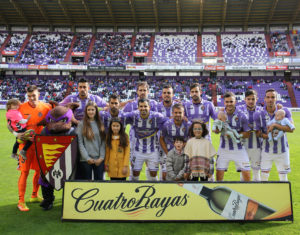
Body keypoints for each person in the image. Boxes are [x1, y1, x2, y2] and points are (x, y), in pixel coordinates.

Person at [8, 85, 52, 211]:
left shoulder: (46, 107)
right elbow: (9, 123)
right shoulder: (21, 107)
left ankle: (34, 195)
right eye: (29, 96)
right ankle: (21, 201)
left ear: (39, 94)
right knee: (25, 172)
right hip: (25, 146)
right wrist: (16, 134)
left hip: (39, 144)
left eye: (34, 95)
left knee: (39, 172)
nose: (32, 98)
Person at [254, 89, 295, 181]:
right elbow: (257, 132)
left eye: (273, 97)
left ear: (276, 98)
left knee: (283, 178)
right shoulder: (259, 114)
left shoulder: (284, 111)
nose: (270, 100)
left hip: (282, 151)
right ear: (264, 99)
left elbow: (291, 129)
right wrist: (267, 136)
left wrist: (276, 125)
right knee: (264, 178)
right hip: (266, 151)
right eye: (268, 97)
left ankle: (283, 195)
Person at [124, 98, 167, 181]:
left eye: (145, 106)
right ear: (138, 107)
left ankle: (153, 190)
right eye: (141, 106)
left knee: (153, 173)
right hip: (137, 150)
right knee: (135, 173)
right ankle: (132, 190)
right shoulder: (133, 116)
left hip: (153, 150)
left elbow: (167, 122)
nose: (143, 108)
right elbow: (121, 117)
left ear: (149, 107)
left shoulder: (157, 116)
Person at [214, 92, 251, 182]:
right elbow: (216, 131)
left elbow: (247, 134)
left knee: (246, 173)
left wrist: (236, 135)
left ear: (235, 102)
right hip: (223, 149)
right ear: (224, 103)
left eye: (231, 101)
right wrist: (220, 124)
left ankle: (247, 192)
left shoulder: (242, 115)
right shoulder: (220, 114)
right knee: (219, 175)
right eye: (227, 102)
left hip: (239, 149)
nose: (229, 104)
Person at [236, 89, 263, 181]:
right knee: (244, 172)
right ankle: (242, 193)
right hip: (243, 146)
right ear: (245, 99)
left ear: (257, 99)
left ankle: (257, 194)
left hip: (257, 146)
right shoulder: (239, 110)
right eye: (248, 99)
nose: (251, 101)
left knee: (256, 172)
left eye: (253, 99)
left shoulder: (261, 110)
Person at [76, 101, 106, 180]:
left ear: (96, 111)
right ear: (86, 111)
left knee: (99, 183)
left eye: (92, 110)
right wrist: (87, 158)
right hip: (85, 160)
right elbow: (80, 143)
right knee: (86, 184)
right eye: (89, 110)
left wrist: (101, 157)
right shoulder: (81, 124)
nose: (91, 112)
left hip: (98, 159)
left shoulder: (100, 123)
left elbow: (103, 142)